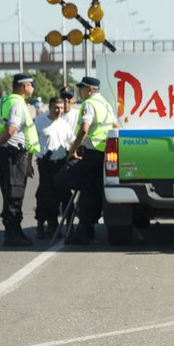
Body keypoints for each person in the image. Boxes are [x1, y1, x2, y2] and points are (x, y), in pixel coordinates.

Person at [55, 76, 119, 245]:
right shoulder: (105, 104)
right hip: (104, 155)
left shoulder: (89, 104)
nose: (80, 91)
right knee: (92, 190)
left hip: (92, 154)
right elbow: (115, 127)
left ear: (90, 90)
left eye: (82, 88)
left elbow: (84, 129)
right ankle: (86, 228)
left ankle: (84, 228)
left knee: (61, 178)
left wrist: (72, 150)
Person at [0, 72, 40, 246]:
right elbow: (10, 130)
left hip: (5, 154)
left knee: (10, 194)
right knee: (14, 195)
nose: (33, 87)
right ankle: (12, 234)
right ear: (24, 87)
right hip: (13, 156)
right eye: (31, 84)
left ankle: (15, 231)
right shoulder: (17, 104)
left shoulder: (4, 102)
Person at [33, 97, 75, 239]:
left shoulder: (63, 124)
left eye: (61, 108)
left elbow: (72, 141)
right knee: (45, 196)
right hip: (46, 165)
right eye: (56, 108)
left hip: (61, 164)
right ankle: (42, 225)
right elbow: (31, 143)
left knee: (65, 196)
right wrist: (28, 164)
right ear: (50, 107)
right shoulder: (39, 122)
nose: (59, 111)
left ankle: (68, 228)